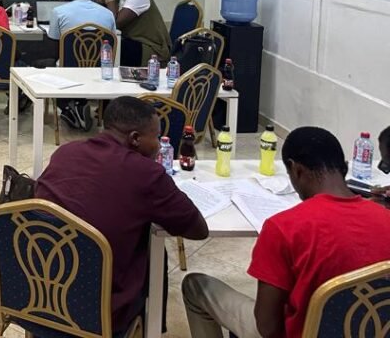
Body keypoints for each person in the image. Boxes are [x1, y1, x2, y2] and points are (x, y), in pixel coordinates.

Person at [182, 126, 390, 338]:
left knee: (195, 286)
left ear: (295, 170)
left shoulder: (283, 227)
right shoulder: (386, 217)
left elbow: (267, 327)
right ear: (344, 168)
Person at [36, 96, 208, 332]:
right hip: (98, 308)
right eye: (156, 137)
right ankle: (152, 330)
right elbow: (198, 230)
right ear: (135, 138)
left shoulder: (65, 153)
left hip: (38, 290)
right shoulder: (147, 174)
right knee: (153, 254)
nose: (158, 145)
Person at [41, 0, 118, 131]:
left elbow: (52, 49)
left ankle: (70, 107)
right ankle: (76, 106)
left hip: (69, 71)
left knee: (47, 63)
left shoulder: (59, 12)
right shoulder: (108, 14)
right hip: (99, 72)